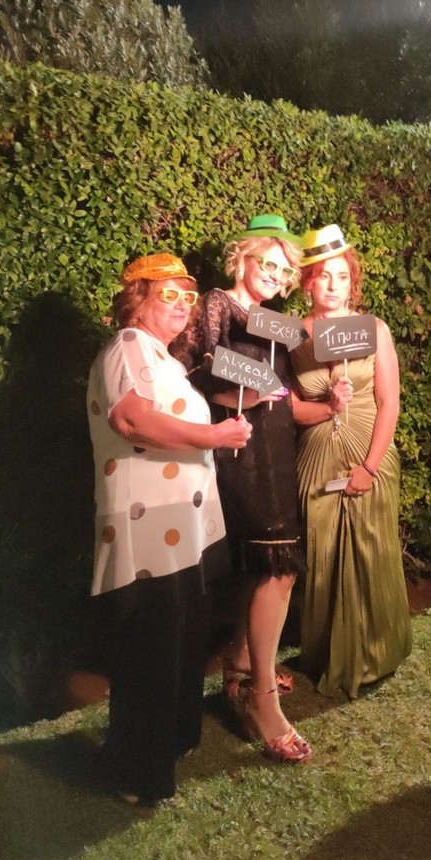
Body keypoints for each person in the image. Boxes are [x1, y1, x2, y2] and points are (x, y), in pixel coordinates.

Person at [87, 252, 252, 804]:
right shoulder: (129, 346)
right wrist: (214, 437)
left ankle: (169, 744)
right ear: (138, 300)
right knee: (150, 652)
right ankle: (135, 774)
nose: (182, 306)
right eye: (168, 295)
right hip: (149, 530)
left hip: (176, 529)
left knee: (174, 643)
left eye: (188, 297)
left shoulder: (161, 357)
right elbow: (131, 418)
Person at [175, 214, 312, 763]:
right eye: (269, 264)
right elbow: (196, 369)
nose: (277, 276)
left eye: (285, 271)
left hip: (275, 446)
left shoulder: (276, 321)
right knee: (276, 564)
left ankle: (241, 663)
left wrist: (330, 403)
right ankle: (261, 699)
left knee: (270, 566)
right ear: (243, 259)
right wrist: (247, 395)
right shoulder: (217, 302)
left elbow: (287, 391)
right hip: (242, 449)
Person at [291, 224, 412, 698]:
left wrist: (370, 466)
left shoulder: (374, 330)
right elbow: (288, 409)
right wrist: (328, 405)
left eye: (342, 276)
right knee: (322, 554)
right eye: (324, 276)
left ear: (352, 282)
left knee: (371, 549)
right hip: (317, 456)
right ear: (308, 282)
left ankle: (378, 650)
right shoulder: (290, 335)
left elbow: (389, 402)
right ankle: (326, 652)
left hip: (368, 448)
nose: (333, 285)